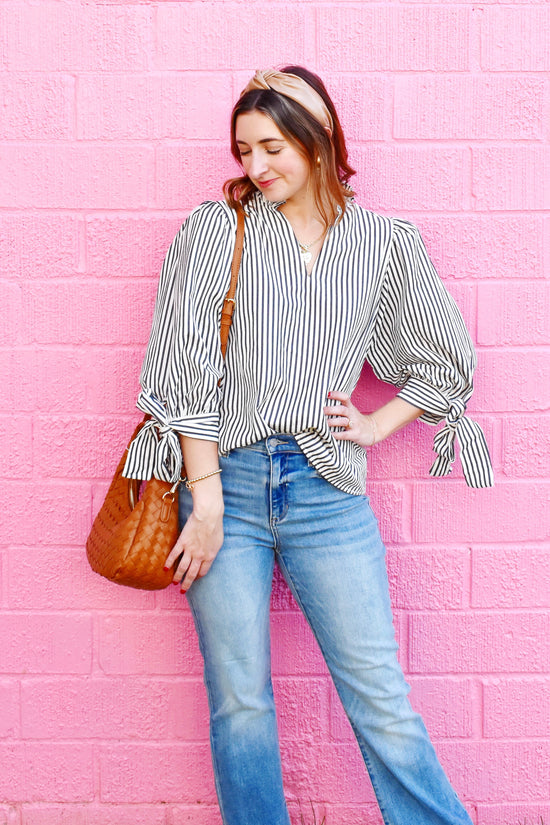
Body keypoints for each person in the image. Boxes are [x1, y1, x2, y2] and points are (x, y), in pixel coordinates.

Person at [123, 66, 493, 825]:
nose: (254, 168)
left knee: (380, 695)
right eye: (243, 150)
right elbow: (184, 366)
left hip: (327, 489)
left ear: (318, 143)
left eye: (272, 147)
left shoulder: (383, 244)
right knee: (240, 699)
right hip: (221, 476)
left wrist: (378, 423)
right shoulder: (213, 231)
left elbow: (446, 359)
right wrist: (209, 500)